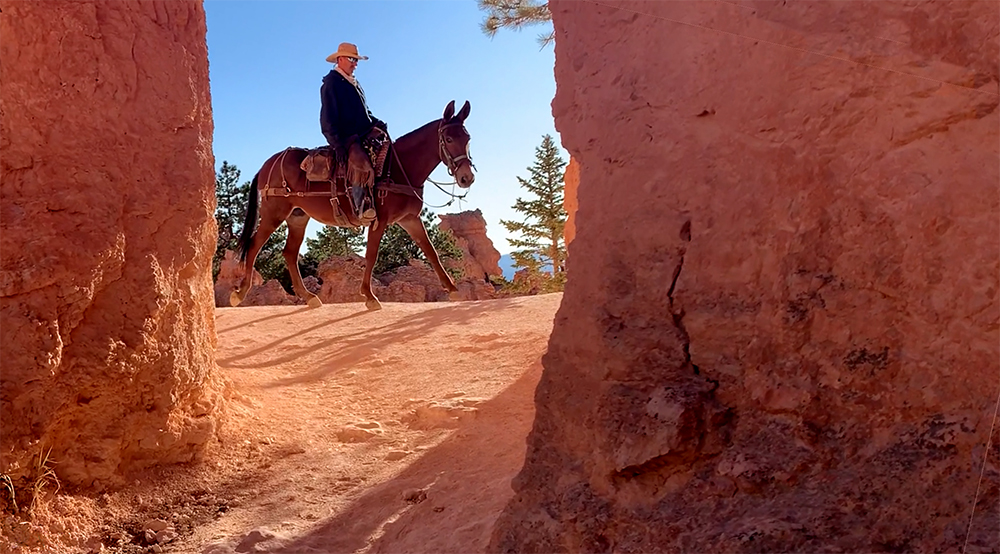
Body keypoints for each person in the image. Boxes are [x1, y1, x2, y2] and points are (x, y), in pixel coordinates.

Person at [320, 42, 387, 227]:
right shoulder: (332, 83)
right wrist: (337, 144)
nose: (355, 64)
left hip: (364, 132)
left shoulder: (353, 83)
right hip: (347, 138)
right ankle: (362, 208)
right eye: (351, 59)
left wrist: (376, 123)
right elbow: (327, 118)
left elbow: (363, 113)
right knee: (360, 163)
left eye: (356, 60)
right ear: (340, 59)